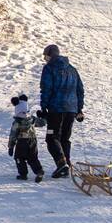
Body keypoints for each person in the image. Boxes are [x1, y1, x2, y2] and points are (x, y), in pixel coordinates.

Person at [38, 43, 84, 178]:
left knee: (52, 137)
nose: (45, 59)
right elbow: (80, 90)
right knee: (64, 137)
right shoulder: (72, 69)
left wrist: (43, 107)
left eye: (45, 56)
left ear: (49, 55)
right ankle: (66, 164)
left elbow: (46, 88)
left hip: (55, 109)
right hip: (71, 110)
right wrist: (79, 108)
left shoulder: (49, 68)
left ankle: (61, 163)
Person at [8, 94, 45, 182]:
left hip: (22, 142)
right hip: (33, 141)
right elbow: (42, 123)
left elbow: (13, 135)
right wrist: (43, 117)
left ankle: (23, 174)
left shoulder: (17, 122)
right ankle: (39, 171)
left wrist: (11, 146)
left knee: (19, 158)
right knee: (32, 158)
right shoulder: (32, 119)